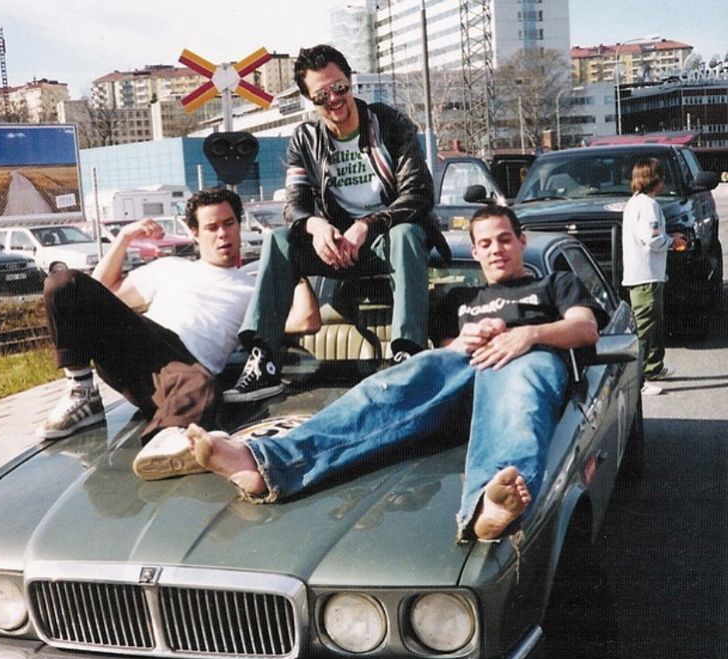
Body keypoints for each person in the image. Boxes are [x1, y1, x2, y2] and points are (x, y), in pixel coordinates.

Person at [178, 204, 608, 542]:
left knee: (520, 380)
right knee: (388, 386)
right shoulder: (460, 298)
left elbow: (584, 327)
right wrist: (460, 343)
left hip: (525, 368)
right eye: (486, 243)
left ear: (521, 241)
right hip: (463, 374)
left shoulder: (553, 284)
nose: (497, 249)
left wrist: (527, 335)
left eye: (505, 240)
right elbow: (436, 356)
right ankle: (266, 463)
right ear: (475, 252)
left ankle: (490, 501)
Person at [225, 43, 448, 403]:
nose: (334, 100)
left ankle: (408, 352)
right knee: (280, 240)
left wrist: (367, 226)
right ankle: (264, 360)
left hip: (386, 242)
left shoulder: (390, 124)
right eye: (321, 95)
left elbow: (419, 195)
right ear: (309, 101)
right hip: (338, 247)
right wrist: (316, 227)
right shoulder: (305, 139)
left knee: (406, 232)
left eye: (339, 87)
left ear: (351, 82)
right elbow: (295, 206)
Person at [37, 188, 255, 472]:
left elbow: (303, 322)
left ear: (239, 225)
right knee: (65, 283)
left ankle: (161, 443)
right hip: (141, 343)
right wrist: (124, 238)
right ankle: (82, 393)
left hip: (183, 372)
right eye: (212, 227)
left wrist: (292, 271)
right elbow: (95, 294)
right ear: (194, 233)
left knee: (204, 387)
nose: (223, 234)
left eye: (229, 224)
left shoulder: (252, 287)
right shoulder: (170, 267)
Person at [621, 158, 687, 396]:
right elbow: (652, 239)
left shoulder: (635, 203)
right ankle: (640, 378)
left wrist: (668, 237)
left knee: (653, 324)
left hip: (646, 275)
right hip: (645, 276)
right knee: (645, 328)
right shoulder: (649, 206)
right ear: (655, 180)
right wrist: (674, 242)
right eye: (661, 177)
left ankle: (653, 366)